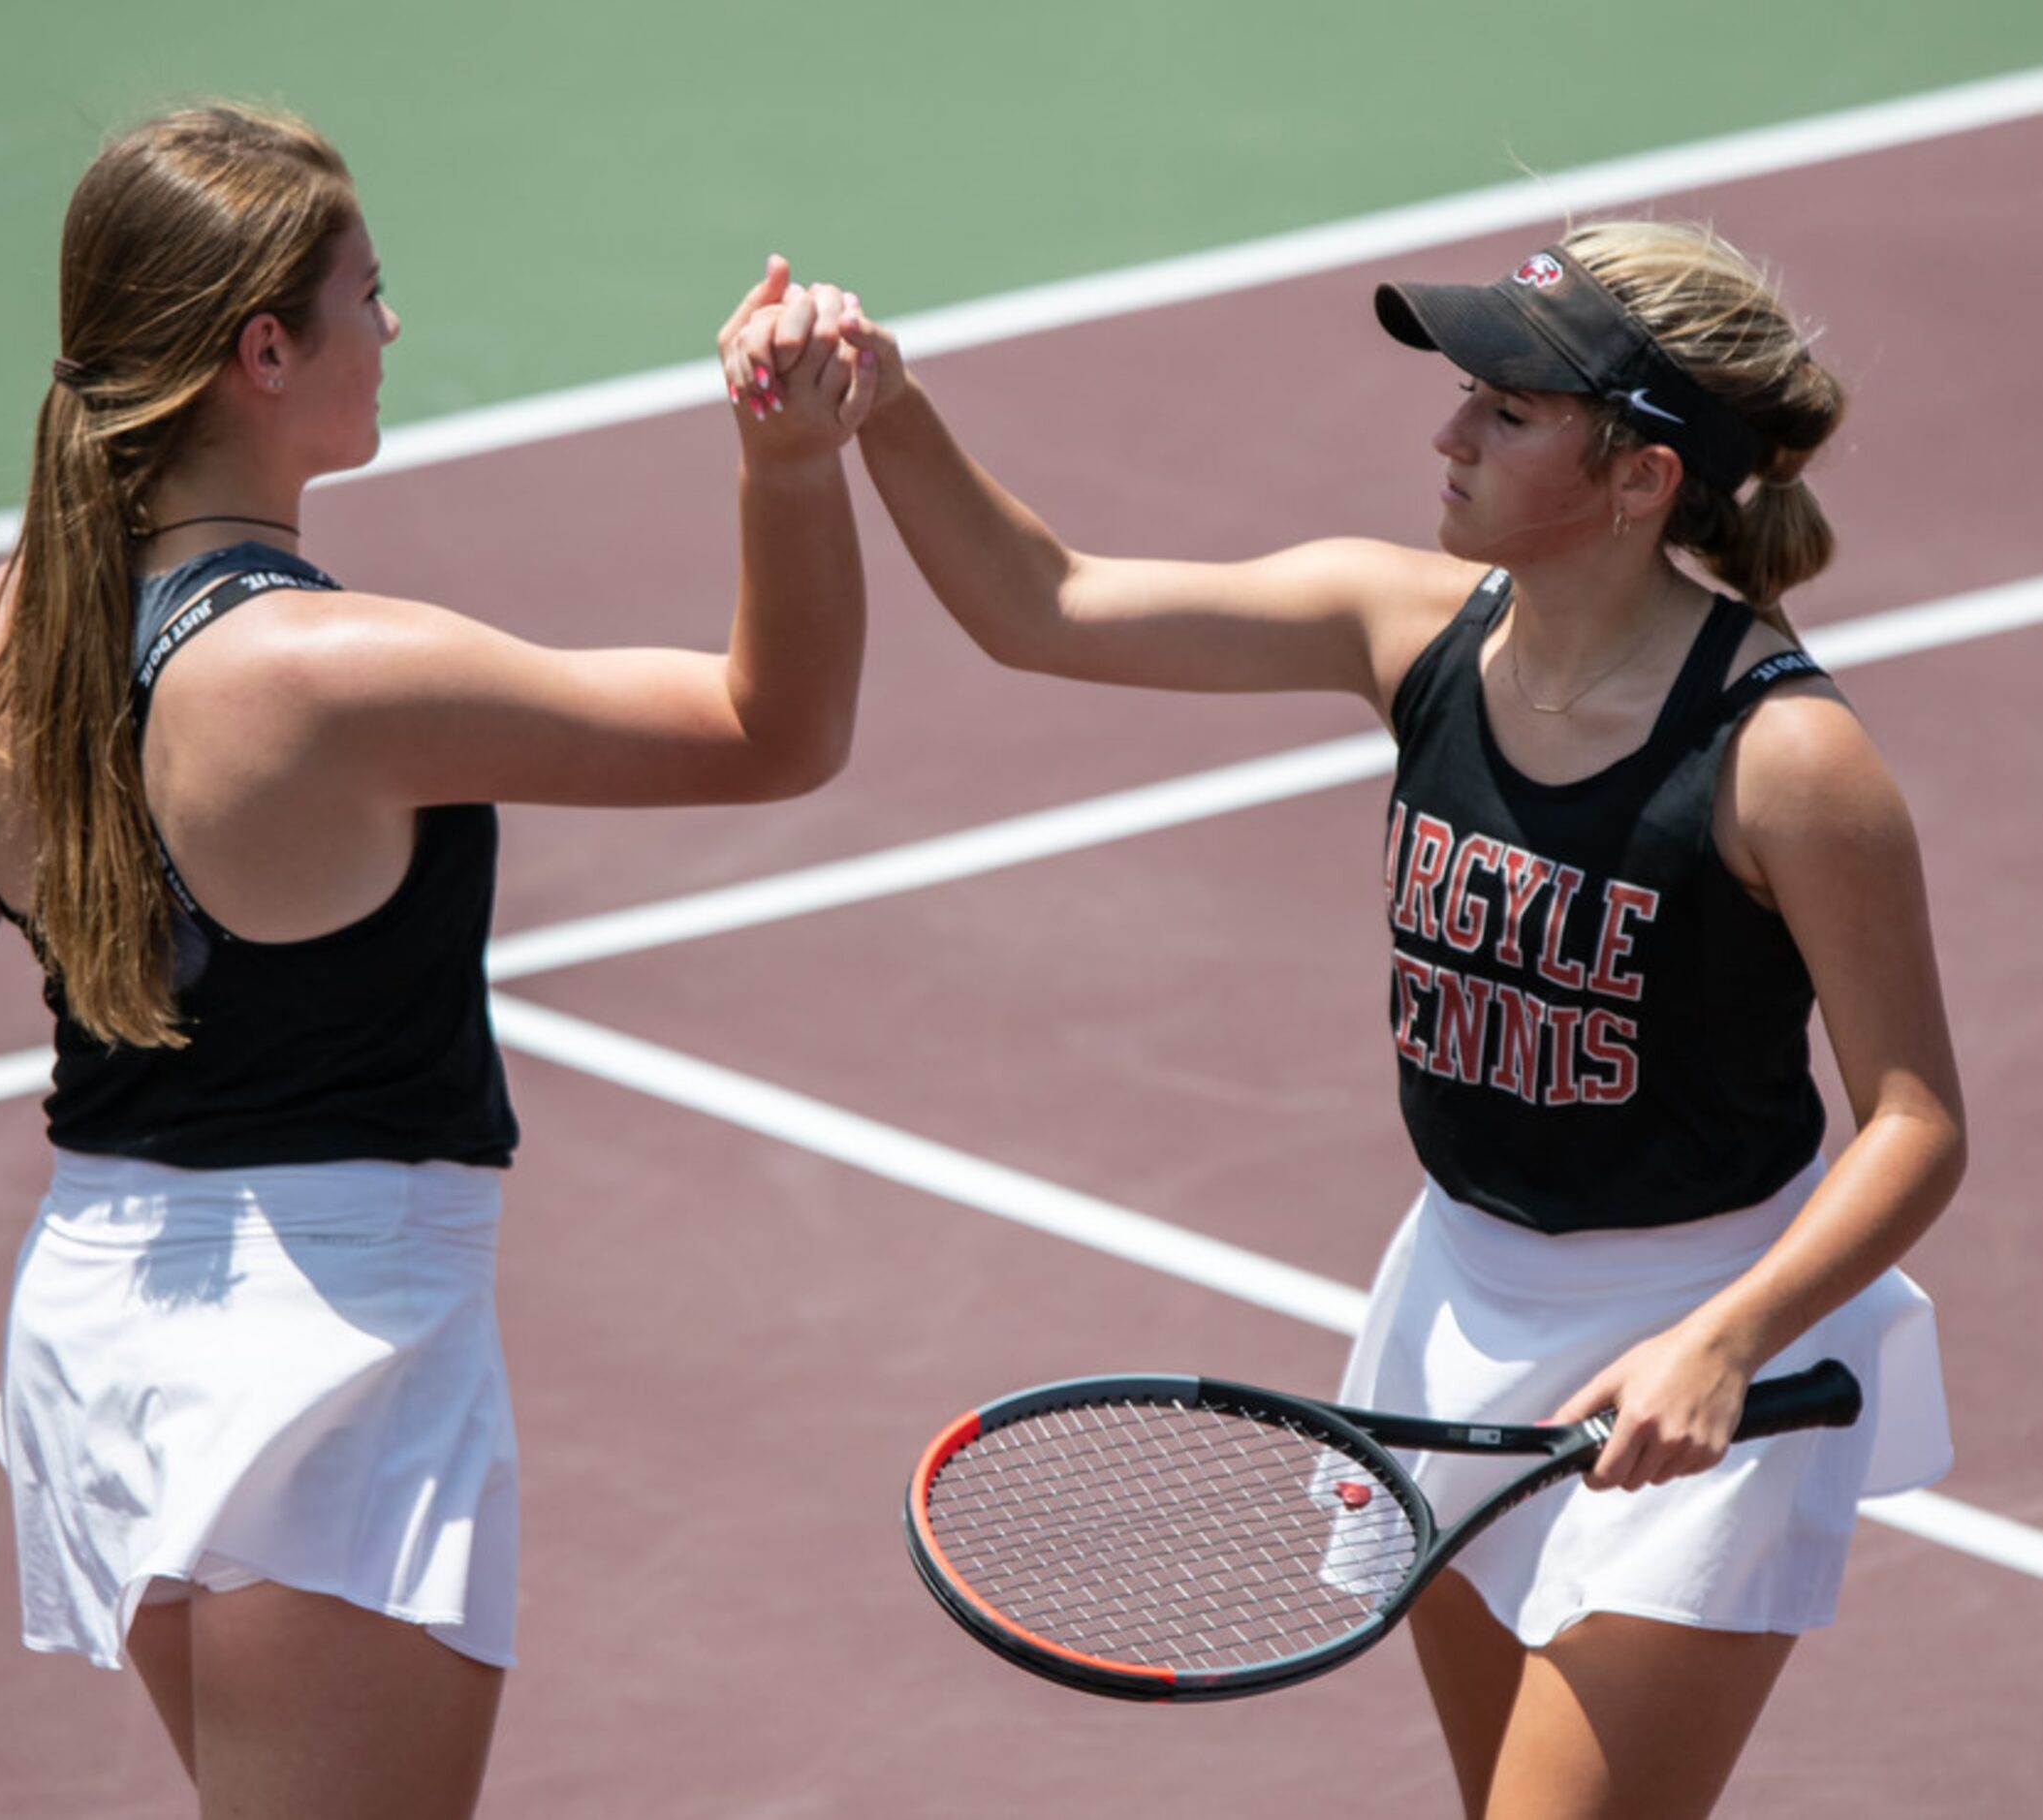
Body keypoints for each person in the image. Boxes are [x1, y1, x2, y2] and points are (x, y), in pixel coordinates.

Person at [0, 105, 876, 1819]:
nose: (393, 328)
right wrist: (786, 463)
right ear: (264, 351)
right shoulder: (330, 671)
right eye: (368, 295)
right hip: (322, 1358)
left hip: (105, 1332)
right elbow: (771, 729)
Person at [735, 221, 1966, 1818]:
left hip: (1714, 1318)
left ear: (1642, 476)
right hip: (1456, 1303)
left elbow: (1919, 1121)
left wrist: (1721, 1341)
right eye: (1467, 394)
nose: (1448, 434)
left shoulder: (1787, 762)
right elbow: (1042, 603)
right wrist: (879, 405)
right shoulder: (1411, 625)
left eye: (1508, 414)